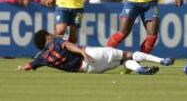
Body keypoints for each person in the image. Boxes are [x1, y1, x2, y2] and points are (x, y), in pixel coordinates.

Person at [17, 30, 174, 74]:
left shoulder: (42, 58)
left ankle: (139, 69)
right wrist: (81, 51)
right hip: (90, 54)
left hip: (88, 70)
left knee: (122, 62)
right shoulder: (55, 41)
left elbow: (28, 66)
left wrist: (20, 68)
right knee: (128, 54)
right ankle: (162, 60)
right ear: (47, 37)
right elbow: (67, 45)